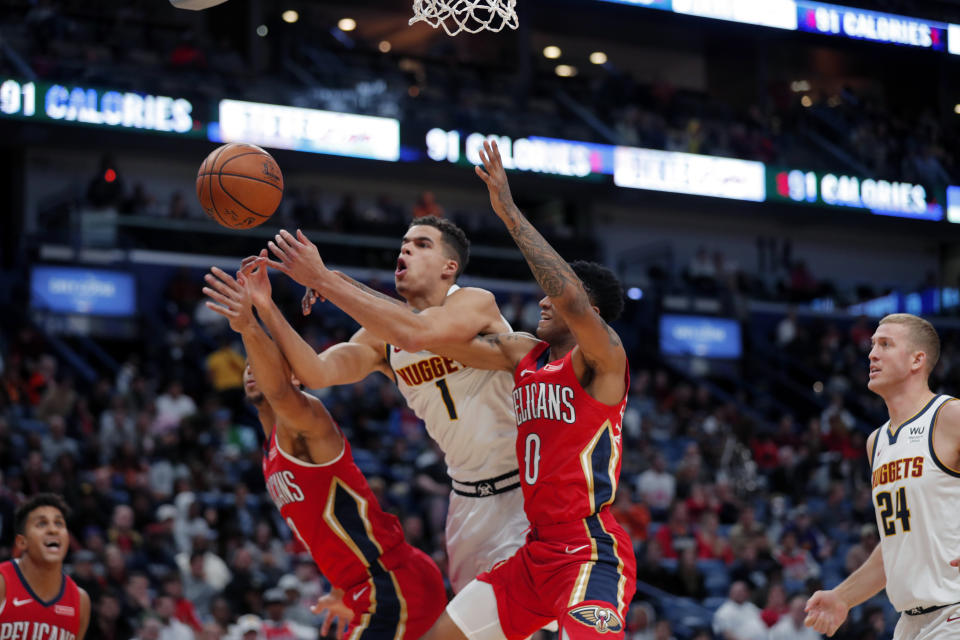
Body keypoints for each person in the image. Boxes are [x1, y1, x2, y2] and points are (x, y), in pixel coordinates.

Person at [289, 139, 635, 640]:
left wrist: (508, 211)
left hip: (582, 543)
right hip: (522, 539)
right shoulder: (522, 355)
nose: (542, 300)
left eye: (554, 297)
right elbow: (418, 336)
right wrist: (337, 287)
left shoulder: (604, 362)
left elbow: (569, 301)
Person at [253, 215, 527, 593]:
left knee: (539, 618)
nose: (406, 249)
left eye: (422, 244)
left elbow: (418, 333)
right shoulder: (380, 339)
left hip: (525, 490)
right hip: (466, 500)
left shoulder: (475, 303)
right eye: (404, 243)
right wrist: (265, 308)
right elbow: (315, 373)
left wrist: (326, 280)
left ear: (450, 267)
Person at [202, 262, 446, 640]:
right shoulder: (271, 451)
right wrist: (339, 588)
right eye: (250, 360)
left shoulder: (309, 419)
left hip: (393, 584)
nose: (252, 367)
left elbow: (281, 393)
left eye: (262, 359)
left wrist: (250, 324)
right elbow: (330, 524)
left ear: (292, 371)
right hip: (372, 588)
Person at [805, 313, 960, 638]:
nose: (872, 353)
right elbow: (896, 545)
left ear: (918, 359)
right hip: (909, 623)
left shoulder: (948, 417)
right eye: (873, 345)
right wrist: (842, 597)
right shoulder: (876, 442)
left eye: (885, 344)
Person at [0, 493, 91, 638]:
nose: (53, 530)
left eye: (59, 523)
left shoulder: (80, 601)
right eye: (41, 524)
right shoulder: (3, 582)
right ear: (22, 542)